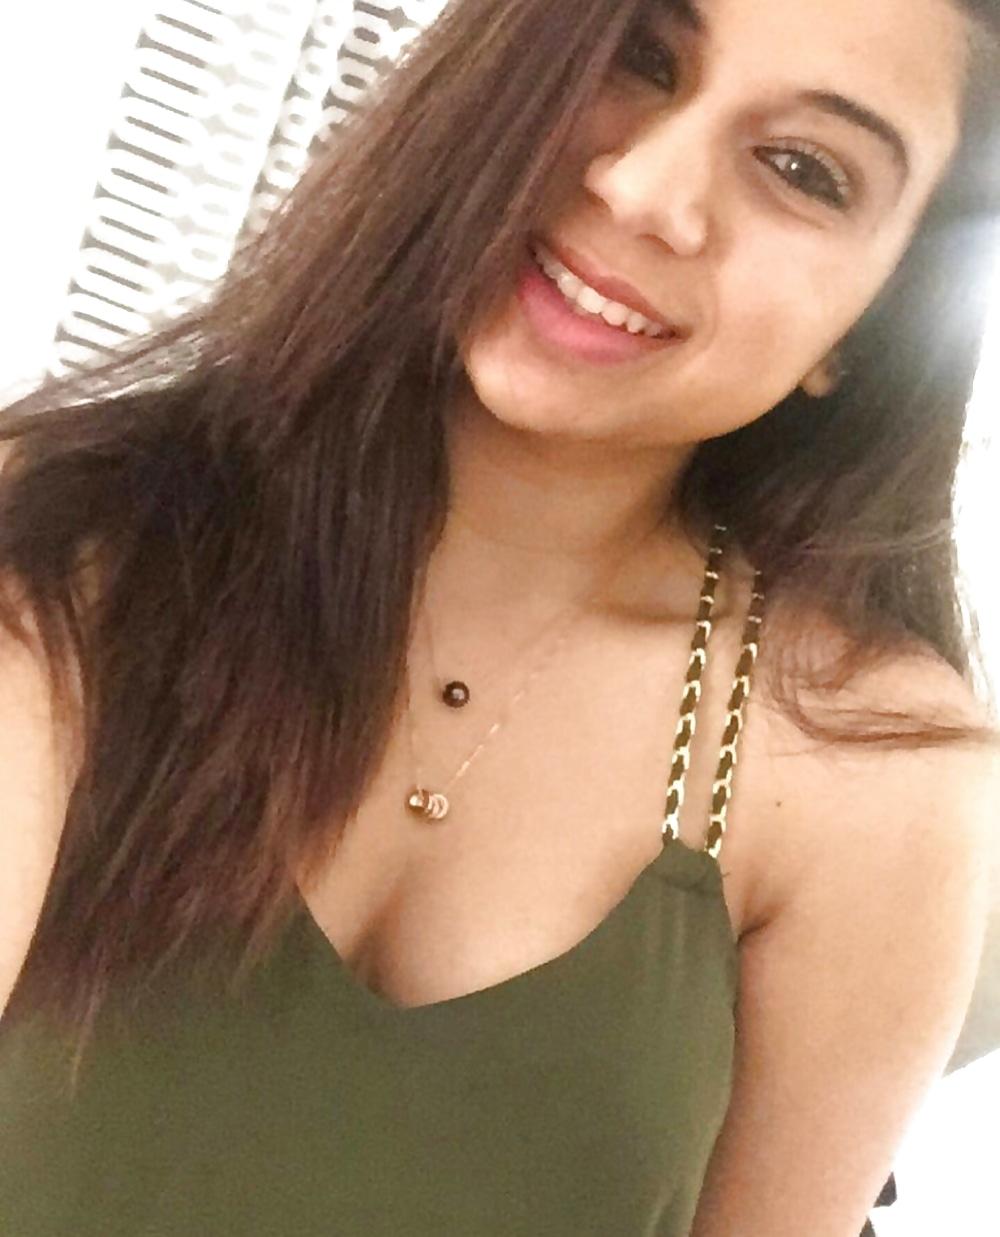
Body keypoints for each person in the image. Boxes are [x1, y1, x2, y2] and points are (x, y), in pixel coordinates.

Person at [1, 0, 999, 1233]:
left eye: (802, 169)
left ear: (870, 324)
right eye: (640, 58)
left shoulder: (877, 777)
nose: (646, 191)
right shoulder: (63, 549)